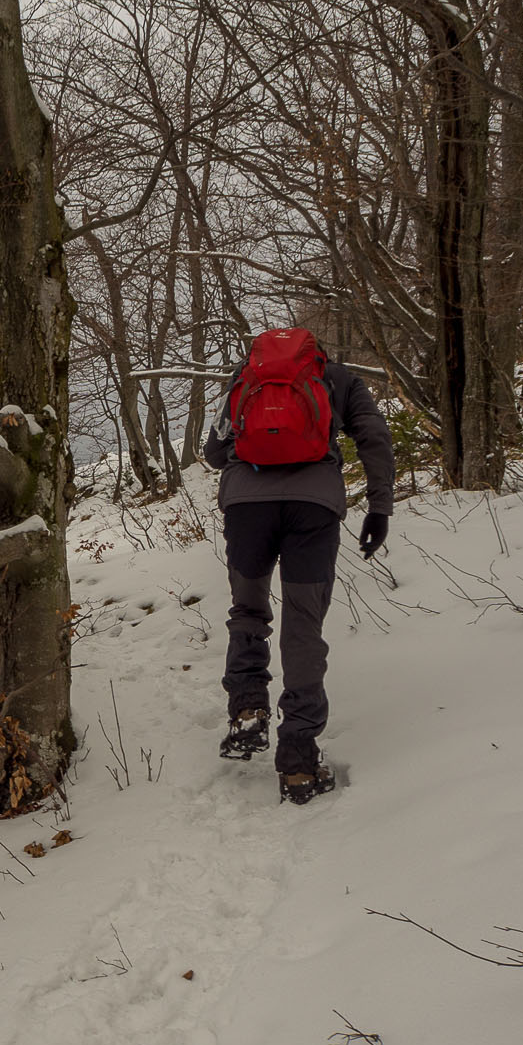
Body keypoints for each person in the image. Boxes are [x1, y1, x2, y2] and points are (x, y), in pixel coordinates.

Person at [203, 331, 396, 804]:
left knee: (248, 608)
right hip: (314, 505)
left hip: (246, 505)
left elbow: (212, 452)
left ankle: (248, 710)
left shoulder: (242, 379)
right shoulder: (340, 379)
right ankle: (298, 759)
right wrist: (379, 507)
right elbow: (373, 435)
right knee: (303, 623)